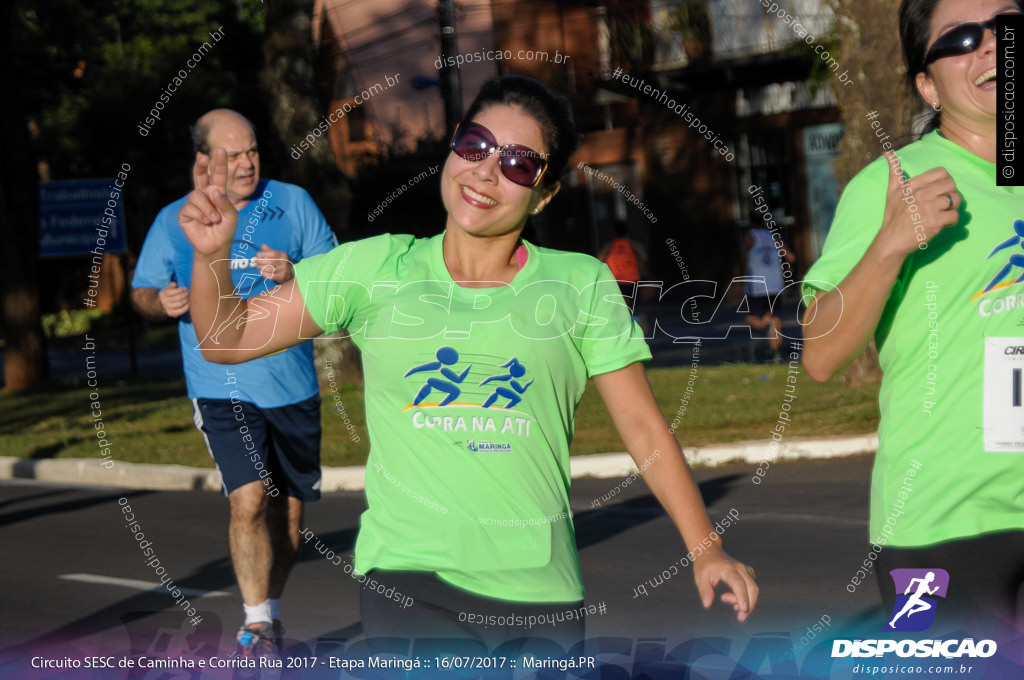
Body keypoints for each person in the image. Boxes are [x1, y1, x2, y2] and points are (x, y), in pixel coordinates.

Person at [177, 77, 758, 652]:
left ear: (545, 192)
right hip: (407, 577)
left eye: (519, 164)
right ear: (454, 144)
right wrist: (212, 256)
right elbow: (227, 337)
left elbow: (643, 426)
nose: (486, 171)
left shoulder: (580, 284)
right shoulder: (376, 267)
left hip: (542, 592)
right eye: (476, 146)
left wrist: (705, 547)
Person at [802, 0, 1024, 629]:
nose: (991, 46)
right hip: (946, 524)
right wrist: (890, 244)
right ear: (927, 83)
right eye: (961, 38)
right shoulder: (891, 183)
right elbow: (819, 353)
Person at [131, 109, 338, 660]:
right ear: (204, 161)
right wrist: (163, 301)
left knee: (288, 515)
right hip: (219, 382)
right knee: (248, 498)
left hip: (292, 384)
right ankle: (255, 625)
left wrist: (296, 271)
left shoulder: (293, 202)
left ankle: (269, 612)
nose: (247, 163)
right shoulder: (176, 218)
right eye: (232, 154)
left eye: (252, 151)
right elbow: (144, 291)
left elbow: (338, 275)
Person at [741, 216, 795, 362]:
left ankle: (770, 325)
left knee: (751, 320)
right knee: (770, 317)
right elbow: (790, 257)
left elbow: (743, 258)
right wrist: (786, 268)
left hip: (758, 285)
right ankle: (775, 353)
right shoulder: (773, 237)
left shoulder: (750, 237)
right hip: (776, 284)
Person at [598, 219, 648, 301]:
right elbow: (644, 258)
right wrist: (637, 268)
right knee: (632, 306)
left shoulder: (609, 246)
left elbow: (599, 260)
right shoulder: (633, 245)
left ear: (614, 232)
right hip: (632, 280)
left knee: (619, 305)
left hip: (615, 280)